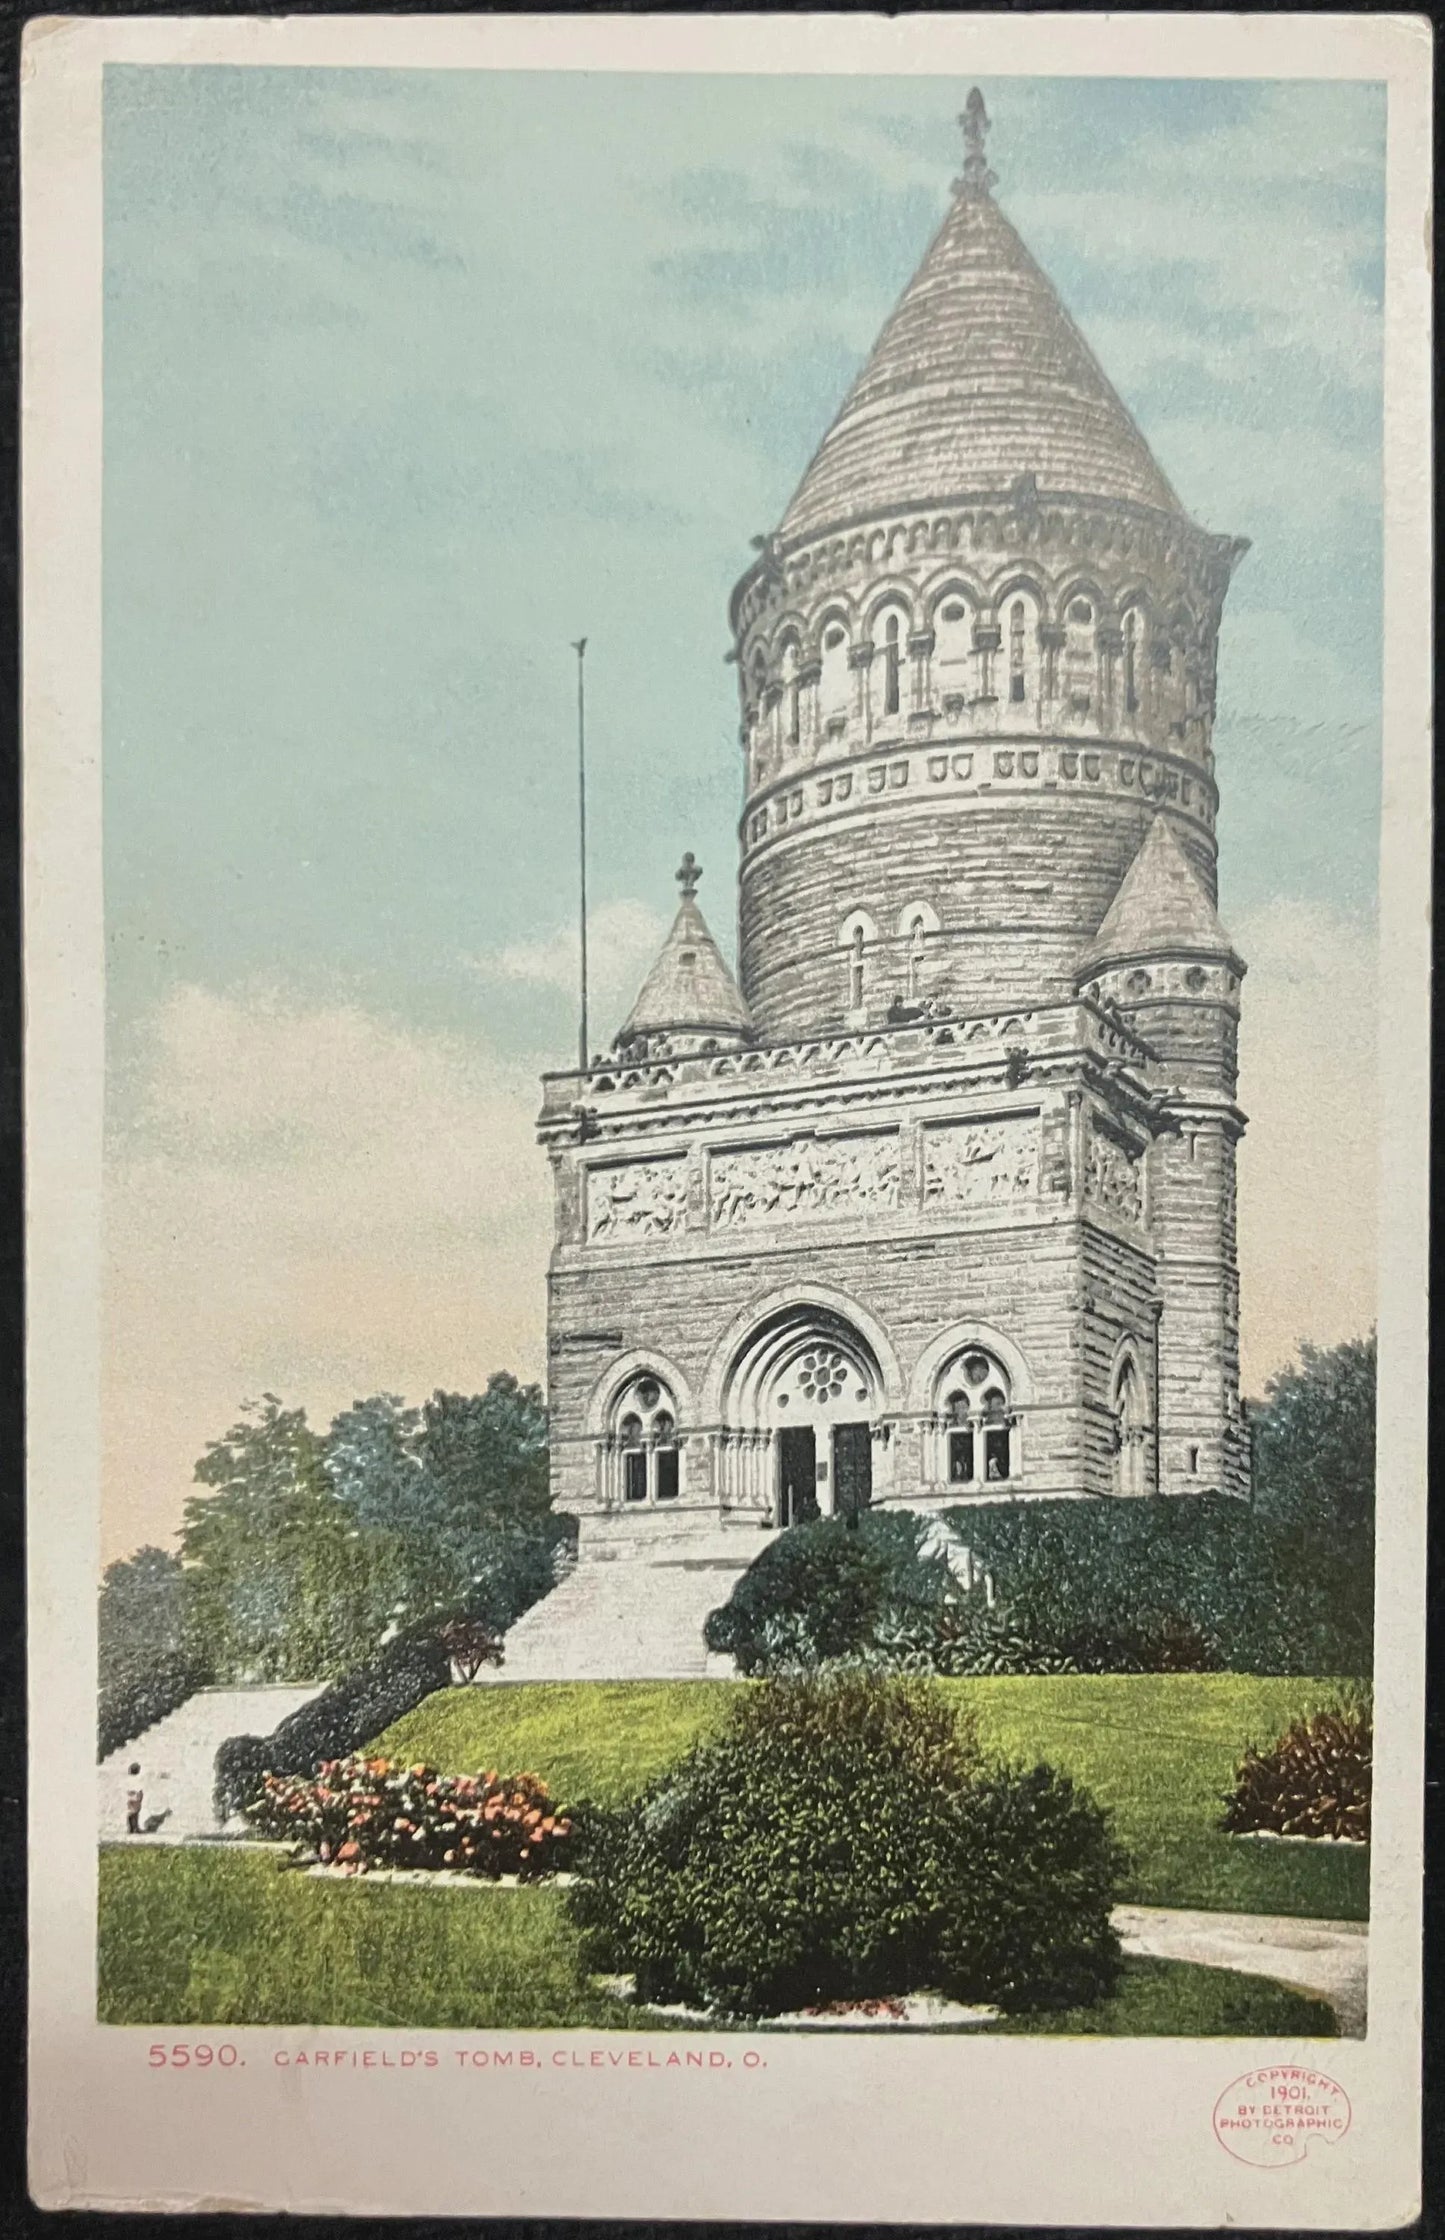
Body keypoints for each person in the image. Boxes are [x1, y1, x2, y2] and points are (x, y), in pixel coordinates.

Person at [125, 1765, 143, 1836]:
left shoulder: (128, 1779)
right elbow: (139, 1790)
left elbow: (126, 1789)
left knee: (130, 1813)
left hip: (129, 1798)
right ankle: (135, 1828)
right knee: (136, 1813)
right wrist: (140, 1797)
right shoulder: (137, 1779)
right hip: (135, 1797)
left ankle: (130, 1828)